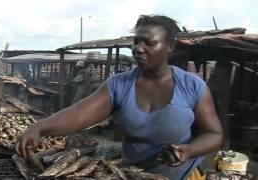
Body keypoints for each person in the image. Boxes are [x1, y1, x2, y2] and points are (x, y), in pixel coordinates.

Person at [16, 15, 223, 180]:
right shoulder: (119, 84)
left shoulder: (192, 86)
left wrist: (189, 150)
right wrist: (40, 127)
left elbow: (213, 134)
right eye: (136, 42)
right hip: (132, 173)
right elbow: (79, 114)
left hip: (182, 175)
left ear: (169, 46)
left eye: (149, 43)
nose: (138, 49)